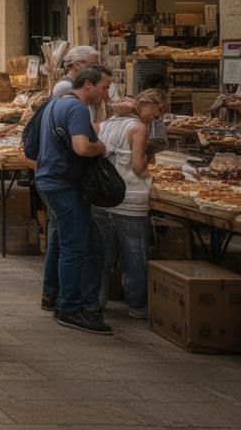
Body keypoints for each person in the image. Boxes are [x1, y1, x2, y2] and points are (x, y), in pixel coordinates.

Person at [37, 64, 113, 335]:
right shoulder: (78, 108)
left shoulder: (57, 104)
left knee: (88, 245)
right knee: (74, 246)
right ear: (88, 84)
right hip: (63, 185)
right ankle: (69, 307)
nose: (106, 94)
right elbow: (82, 147)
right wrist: (101, 146)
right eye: (104, 88)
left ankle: (69, 300)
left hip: (52, 182)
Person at [89, 89, 166, 320]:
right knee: (135, 258)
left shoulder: (107, 124)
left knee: (102, 257)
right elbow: (138, 167)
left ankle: (97, 300)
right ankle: (137, 305)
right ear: (146, 105)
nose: (160, 116)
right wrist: (150, 166)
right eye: (158, 109)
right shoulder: (138, 128)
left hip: (103, 200)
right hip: (130, 200)